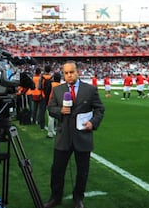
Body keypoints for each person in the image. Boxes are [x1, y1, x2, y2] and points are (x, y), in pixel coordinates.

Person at [45, 60, 105, 208]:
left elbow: (100, 109)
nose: (69, 75)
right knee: (57, 170)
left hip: (83, 137)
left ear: (78, 72)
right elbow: (50, 107)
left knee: (82, 172)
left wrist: (93, 122)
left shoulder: (90, 90)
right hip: (63, 137)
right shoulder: (58, 90)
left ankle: (78, 198)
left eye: (71, 72)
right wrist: (60, 111)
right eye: (66, 73)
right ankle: (55, 197)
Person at [46, 72, 61, 138]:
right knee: (59, 118)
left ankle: (50, 133)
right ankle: (59, 131)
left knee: (51, 119)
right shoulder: (61, 85)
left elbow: (47, 93)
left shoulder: (51, 84)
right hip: (59, 103)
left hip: (51, 102)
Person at [39, 65, 52, 130]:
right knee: (51, 111)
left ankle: (42, 126)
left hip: (43, 95)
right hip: (50, 96)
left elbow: (39, 87)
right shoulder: (52, 77)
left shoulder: (42, 78)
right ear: (50, 70)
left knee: (42, 111)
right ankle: (52, 125)